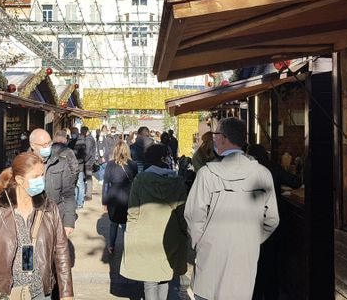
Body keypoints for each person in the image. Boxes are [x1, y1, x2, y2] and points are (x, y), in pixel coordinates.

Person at [184, 118, 280, 300]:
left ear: (224, 138)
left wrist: (203, 241)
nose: (214, 139)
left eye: (216, 135)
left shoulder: (207, 174)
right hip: (246, 254)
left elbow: (193, 215)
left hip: (211, 254)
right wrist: (252, 238)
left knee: (208, 293)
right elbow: (272, 219)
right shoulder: (262, 174)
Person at [0, 152, 74, 300]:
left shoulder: (48, 208)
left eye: (42, 175)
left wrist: (67, 293)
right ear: (20, 180)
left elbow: (61, 251)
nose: (41, 180)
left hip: (40, 293)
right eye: (35, 177)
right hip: (6, 293)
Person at [120, 144, 189, 300]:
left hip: (144, 234)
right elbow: (182, 212)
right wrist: (185, 232)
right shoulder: (177, 181)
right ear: (164, 158)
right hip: (170, 235)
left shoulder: (140, 179)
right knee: (164, 276)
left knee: (149, 280)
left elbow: (133, 210)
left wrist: (130, 232)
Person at [246, 144, 301, 300]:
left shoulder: (244, 170)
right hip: (271, 225)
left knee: (253, 265)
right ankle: (271, 294)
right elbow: (295, 182)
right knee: (271, 265)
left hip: (250, 225)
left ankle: (254, 294)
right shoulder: (272, 167)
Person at [101, 140, 138, 254]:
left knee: (114, 223)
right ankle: (128, 247)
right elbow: (136, 181)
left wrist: (104, 201)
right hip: (129, 196)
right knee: (126, 223)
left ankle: (111, 246)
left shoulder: (110, 165)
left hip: (113, 197)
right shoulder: (133, 165)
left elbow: (106, 183)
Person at [46, 130, 80, 236]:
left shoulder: (48, 150)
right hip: (63, 189)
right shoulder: (69, 151)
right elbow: (75, 169)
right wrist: (71, 182)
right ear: (65, 139)